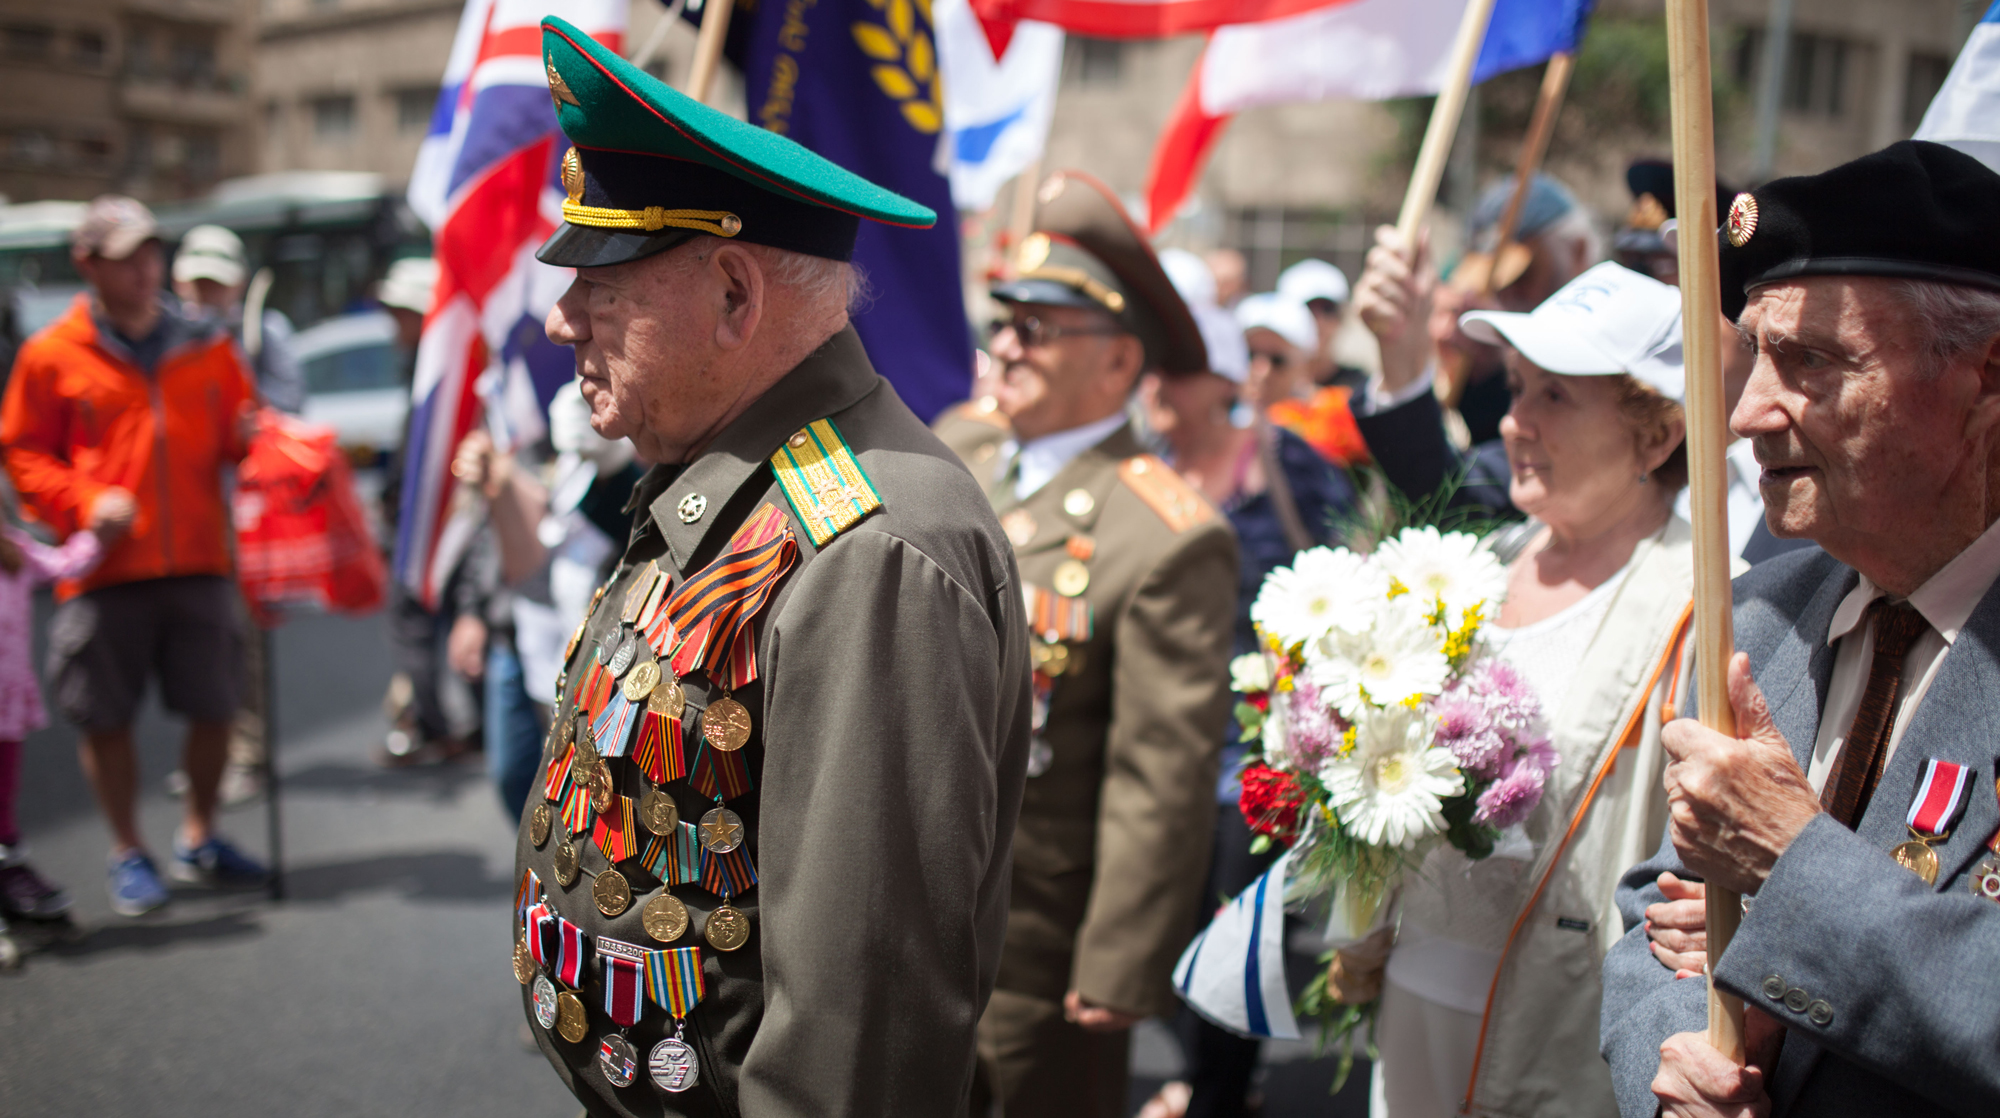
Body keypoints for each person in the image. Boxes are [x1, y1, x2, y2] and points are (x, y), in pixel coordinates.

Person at [516, 21, 1030, 1117]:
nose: (563, 321)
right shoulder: (733, 474)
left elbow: (859, 1032)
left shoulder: (870, 547)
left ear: (736, 296)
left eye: (601, 286)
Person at [1601, 141, 2000, 1118]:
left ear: (1985, 374)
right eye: (1754, 355)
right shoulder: (1766, 608)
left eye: (1809, 361)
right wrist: (1679, 1054)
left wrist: (1792, 864)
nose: (1744, 413)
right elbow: (1653, 917)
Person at [1336, 258, 1717, 1116]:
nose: (1512, 422)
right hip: (1414, 992)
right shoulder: (1481, 564)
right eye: (1515, 387)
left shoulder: (1704, 602)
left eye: (1556, 397)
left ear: (1655, 436)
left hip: (1564, 1027)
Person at [934, 171, 1238, 1118]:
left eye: (1039, 328)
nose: (1007, 346)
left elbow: (1160, 773)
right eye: (1005, 321)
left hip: (1029, 938)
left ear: (1116, 366)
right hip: (901, 903)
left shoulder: (1164, 531)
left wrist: (1120, 960)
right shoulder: (958, 449)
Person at [1, 194, 263, 916]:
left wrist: (254, 437)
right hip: (101, 566)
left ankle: (200, 837)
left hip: (202, 559)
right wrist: (83, 502)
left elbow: (242, 433)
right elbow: (22, 452)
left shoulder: (209, 346)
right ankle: (127, 851)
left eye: (152, 253)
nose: (147, 270)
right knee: (103, 715)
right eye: (127, 259)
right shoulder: (51, 353)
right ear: (87, 264)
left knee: (216, 705)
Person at [1140, 254, 1358, 1118]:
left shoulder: (1286, 463)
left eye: (1177, 368)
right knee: (1167, 931)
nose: (1154, 381)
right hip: (1159, 751)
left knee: (1235, 935)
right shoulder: (1142, 469)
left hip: (1254, 758)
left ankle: (1220, 1094)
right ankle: (1196, 1074)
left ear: (1220, 380)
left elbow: (1345, 574)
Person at [171, 222, 307, 807]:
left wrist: (249, 394)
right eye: (196, 282)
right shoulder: (166, 336)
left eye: (215, 283)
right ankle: (209, 754)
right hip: (181, 509)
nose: (204, 294)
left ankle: (248, 752)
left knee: (241, 640)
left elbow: (291, 407)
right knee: (193, 642)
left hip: (245, 511)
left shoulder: (260, 334)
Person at [1430, 174, 1601, 446]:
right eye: (1491, 281)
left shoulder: (1611, 348)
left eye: (1523, 275)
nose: (1504, 296)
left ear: (1577, 253)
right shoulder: (1475, 366)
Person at [0, 499, 103, 928]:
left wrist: (98, 534)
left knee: (4, 795)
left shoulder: (14, 551)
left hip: (7, 703)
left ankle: (9, 870)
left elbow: (64, 565)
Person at [172, 224, 307, 414]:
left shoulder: (266, 331)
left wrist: (241, 396)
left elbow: (291, 402)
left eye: (217, 284)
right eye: (200, 284)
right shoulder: (163, 335)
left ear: (240, 283)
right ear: (178, 282)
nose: (209, 294)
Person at [1239, 291, 1370, 469]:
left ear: (1305, 365)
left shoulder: (1331, 420)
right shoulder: (1212, 421)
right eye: (1249, 355)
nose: (1261, 371)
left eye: (1277, 360)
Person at [1276, 257, 1362, 390]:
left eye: (1328, 309)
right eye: (1307, 309)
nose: (1318, 321)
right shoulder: (1260, 386)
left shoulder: (1360, 389)